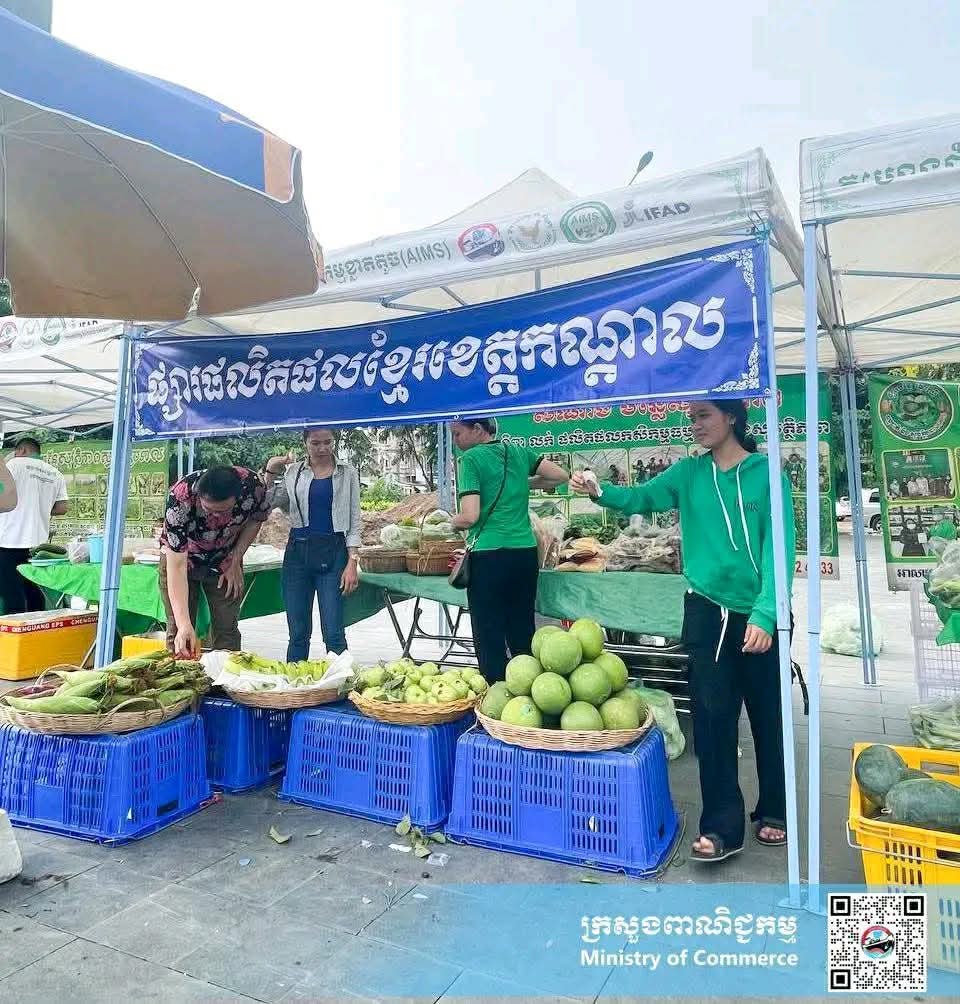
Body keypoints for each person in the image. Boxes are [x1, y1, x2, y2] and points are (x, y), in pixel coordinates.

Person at [572, 399, 795, 863]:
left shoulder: (766, 474)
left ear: (731, 418)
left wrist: (767, 612)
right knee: (712, 722)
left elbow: (780, 546)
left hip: (758, 615)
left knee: (768, 715)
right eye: (691, 418)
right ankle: (720, 826)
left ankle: (774, 809)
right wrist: (598, 490)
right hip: (705, 611)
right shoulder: (689, 474)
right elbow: (638, 498)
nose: (694, 425)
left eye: (703, 416)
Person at [451, 418, 569, 682]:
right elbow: (560, 475)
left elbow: (469, 516)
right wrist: (524, 483)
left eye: (457, 434)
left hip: (489, 556)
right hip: (525, 555)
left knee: (489, 632)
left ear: (478, 430)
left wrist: (451, 522)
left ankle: (496, 694)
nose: (455, 442)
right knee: (521, 627)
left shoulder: (470, 460)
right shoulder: (517, 451)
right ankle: (527, 691)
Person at [264, 428, 361, 661]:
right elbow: (268, 503)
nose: (322, 448)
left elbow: (354, 519)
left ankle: (339, 686)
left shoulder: (347, 473)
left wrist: (352, 562)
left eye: (328, 442)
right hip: (298, 554)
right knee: (297, 632)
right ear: (305, 442)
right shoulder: (294, 472)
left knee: (334, 631)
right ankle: (296, 690)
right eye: (315, 443)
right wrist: (270, 471)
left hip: (334, 552)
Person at [160, 465, 270, 657]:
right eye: (209, 510)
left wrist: (235, 559)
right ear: (199, 496)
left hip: (224, 558)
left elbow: (257, 518)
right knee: (180, 631)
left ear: (238, 496)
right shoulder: (180, 498)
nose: (215, 516)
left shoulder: (253, 486)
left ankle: (224, 683)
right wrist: (184, 624)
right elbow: (176, 567)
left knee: (227, 630)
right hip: (184, 559)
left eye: (223, 511)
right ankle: (182, 679)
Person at [0, 438, 68, 614]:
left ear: (21, 450)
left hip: (8, 541)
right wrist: (40, 507)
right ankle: (36, 633)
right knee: (34, 592)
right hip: (38, 546)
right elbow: (62, 508)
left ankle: (13, 638)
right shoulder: (55, 473)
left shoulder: (11, 466)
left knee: (11, 593)